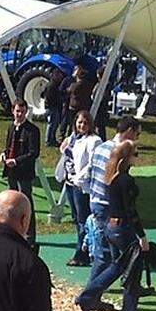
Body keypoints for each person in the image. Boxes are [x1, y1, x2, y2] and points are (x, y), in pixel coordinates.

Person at [76, 141, 150, 311]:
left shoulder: (111, 177)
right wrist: (141, 235)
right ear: (128, 158)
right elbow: (131, 211)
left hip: (111, 226)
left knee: (117, 266)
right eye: (135, 154)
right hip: (123, 228)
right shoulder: (126, 181)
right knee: (133, 271)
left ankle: (87, 296)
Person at [85, 117, 141, 290]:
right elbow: (116, 185)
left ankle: (126, 284)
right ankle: (91, 293)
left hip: (95, 199)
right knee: (106, 255)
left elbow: (90, 173)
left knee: (113, 253)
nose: (137, 138)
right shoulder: (118, 152)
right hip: (107, 205)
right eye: (137, 134)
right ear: (129, 131)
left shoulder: (101, 147)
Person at [62, 110, 101, 267]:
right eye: (79, 122)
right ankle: (84, 250)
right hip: (70, 182)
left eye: (85, 123)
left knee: (83, 219)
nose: (82, 125)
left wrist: (80, 178)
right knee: (76, 218)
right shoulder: (74, 138)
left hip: (82, 185)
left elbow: (92, 163)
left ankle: (82, 253)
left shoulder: (94, 140)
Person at [0, 100, 40, 246]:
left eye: (22, 112)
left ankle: (30, 235)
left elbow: (33, 153)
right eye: (17, 111)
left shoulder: (32, 130)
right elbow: (8, 146)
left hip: (24, 172)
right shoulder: (11, 127)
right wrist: (4, 155)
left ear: (26, 112)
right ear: (13, 111)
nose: (20, 114)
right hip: (11, 171)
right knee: (11, 202)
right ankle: (12, 230)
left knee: (26, 201)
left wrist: (16, 161)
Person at [44, 68, 65, 147]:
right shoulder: (51, 85)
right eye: (59, 76)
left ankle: (52, 139)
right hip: (51, 108)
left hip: (53, 107)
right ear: (55, 75)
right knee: (51, 125)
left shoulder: (55, 85)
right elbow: (49, 97)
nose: (60, 77)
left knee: (54, 124)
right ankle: (48, 141)